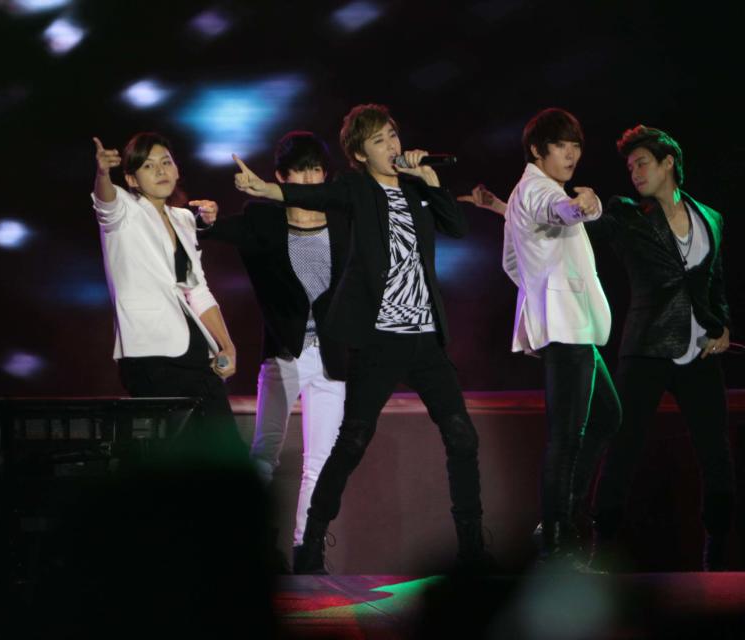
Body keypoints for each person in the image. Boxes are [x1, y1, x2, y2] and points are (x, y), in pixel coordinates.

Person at [233, 104, 489, 573]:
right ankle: (310, 542)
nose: (392, 146)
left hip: (426, 338)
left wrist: (432, 183)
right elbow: (315, 197)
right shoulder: (355, 189)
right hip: (379, 341)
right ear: (359, 153)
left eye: (393, 135)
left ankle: (472, 546)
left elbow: (457, 226)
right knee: (350, 443)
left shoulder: (416, 188)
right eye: (379, 140)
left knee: (462, 437)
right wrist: (267, 189)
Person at [588, 126, 735, 571]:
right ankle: (601, 547)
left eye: (642, 163)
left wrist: (722, 322)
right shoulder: (629, 214)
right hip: (647, 347)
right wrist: (509, 208)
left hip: (700, 351)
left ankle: (719, 550)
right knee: (624, 447)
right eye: (630, 166)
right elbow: (585, 226)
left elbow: (716, 281)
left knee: (716, 452)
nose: (634, 173)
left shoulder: (710, 217)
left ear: (668, 162)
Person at [200, 131, 349, 564]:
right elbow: (216, 229)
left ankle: (308, 546)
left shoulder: (343, 220)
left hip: (332, 357)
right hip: (284, 353)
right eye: (299, 170)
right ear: (281, 176)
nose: (309, 178)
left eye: (316, 169)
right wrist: (207, 217)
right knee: (265, 453)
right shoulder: (263, 218)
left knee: (320, 460)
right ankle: (246, 546)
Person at [501, 108, 621, 566]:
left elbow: (512, 261)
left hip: (570, 326)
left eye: (576, 146)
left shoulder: (525, 191)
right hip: (567, 328)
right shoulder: (538, 189)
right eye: (561, 145)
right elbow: (561, 210)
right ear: (538, 150)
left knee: (607, 417)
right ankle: (556, 535)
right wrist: (581, 206)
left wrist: (538, 295)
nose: (571, 154)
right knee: (565, 438)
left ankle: (564, 515)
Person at [91, 132, 244, 456]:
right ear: (131, 178)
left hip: (191, 348)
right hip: (149, 352)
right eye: (148, 166)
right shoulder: (124, 210)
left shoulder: (184, 218)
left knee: (218, 441)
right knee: (198, 443)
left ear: (176, 169)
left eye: (166, 162)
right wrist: (103, 173)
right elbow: (105, 203)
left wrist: (225, 343)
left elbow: (197, 289)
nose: (160, 171)